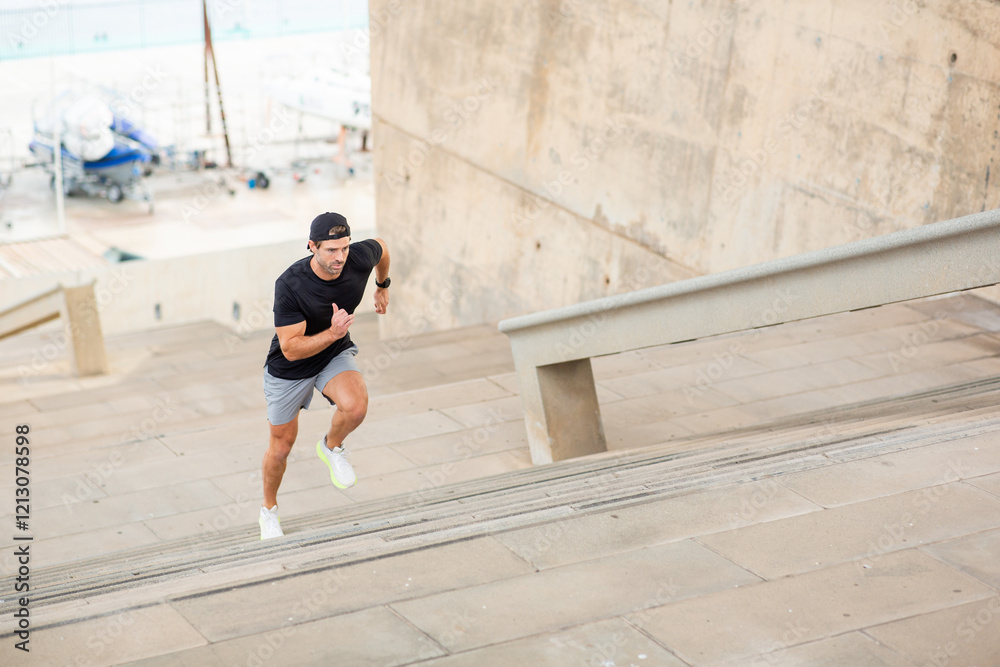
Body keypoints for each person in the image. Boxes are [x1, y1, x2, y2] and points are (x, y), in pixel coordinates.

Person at [259, 212, 390, 539]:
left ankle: (332, 447)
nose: (340, 257)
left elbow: (383, 248)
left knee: (355, 407)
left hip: (333, 352)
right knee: (281, 447)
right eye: (331, 250)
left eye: (345, 247)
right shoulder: (290, 284)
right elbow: (290, 349)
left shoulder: (358, 258)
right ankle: (268, 511)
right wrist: (332, 333)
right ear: (312, 246)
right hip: (290, 368)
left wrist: (381, 286)